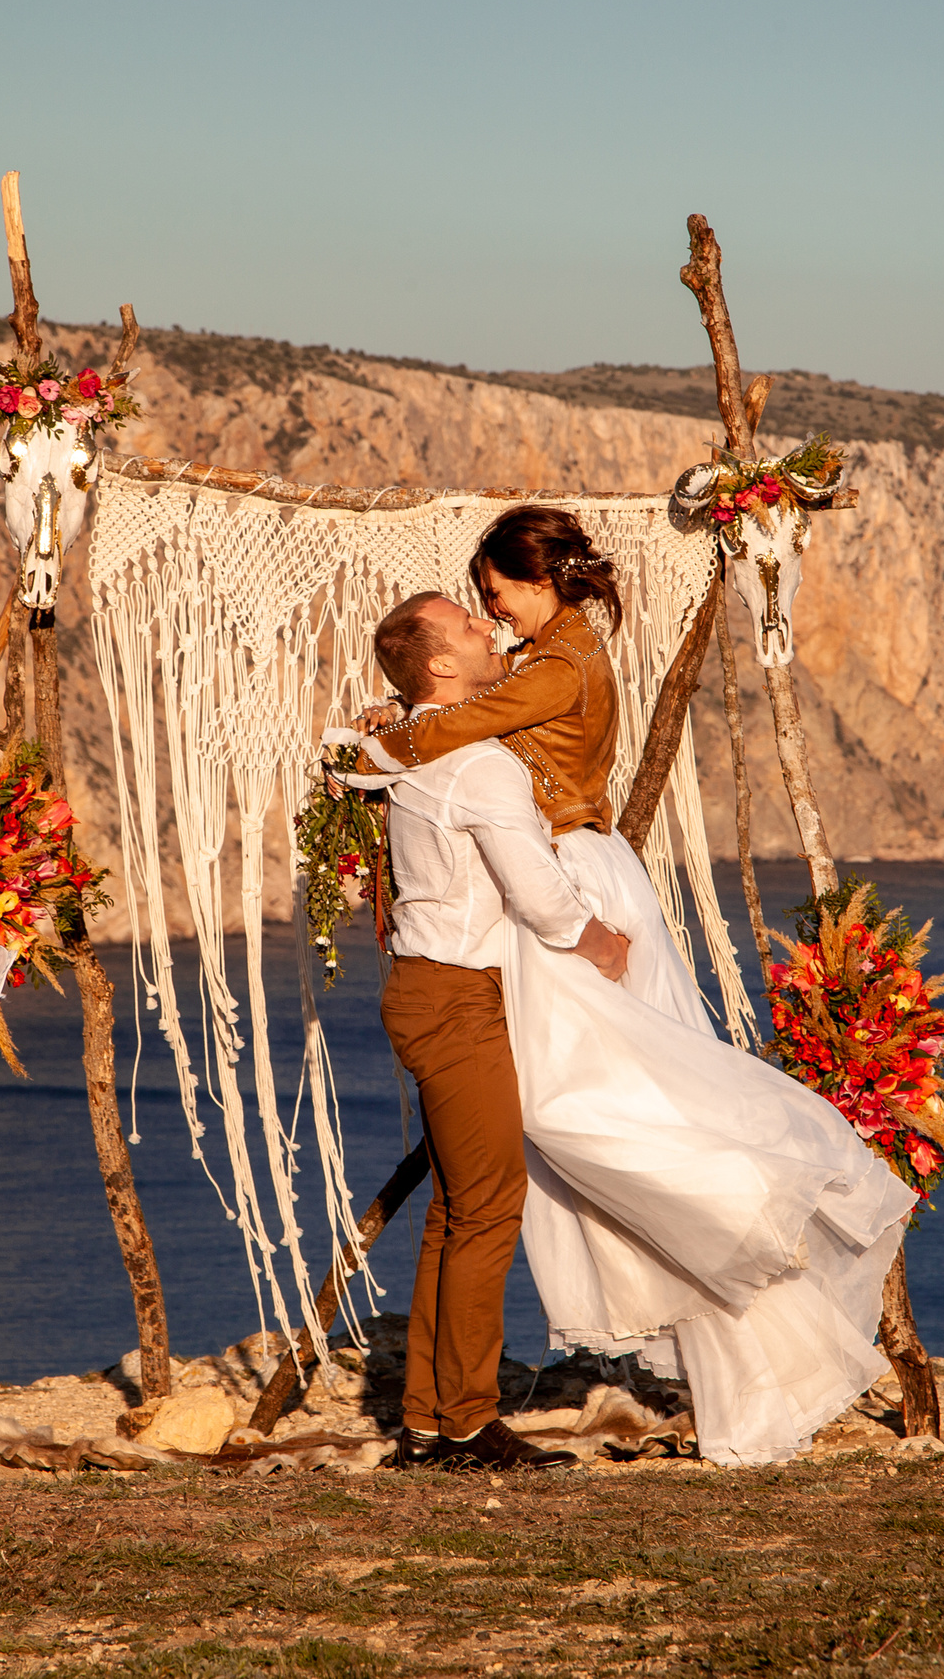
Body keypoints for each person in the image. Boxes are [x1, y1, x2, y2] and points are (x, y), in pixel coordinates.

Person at [357, 507, 919, 1465]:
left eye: (492, 595)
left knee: (587, 1133)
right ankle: (448, 1414)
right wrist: (398, 730)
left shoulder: (551, 670)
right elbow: (460, 749)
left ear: (539, 581)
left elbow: (461, 745)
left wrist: (384, 737)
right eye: (476, 611)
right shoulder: (525, 686)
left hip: (563, 901)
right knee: (511, 1170)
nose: (489, 616)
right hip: (523, 927)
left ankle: (457, 1410)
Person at [361, 589, 631, 1472]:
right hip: (456, 997)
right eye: (469, 625)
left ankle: (432, 1422)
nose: (489, 628)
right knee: (486, 1212)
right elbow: (536, 891)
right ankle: (470, 1423)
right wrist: (598, 941)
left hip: (425, 989)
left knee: (454, 1212)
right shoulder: (477, 765)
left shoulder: (410, 745)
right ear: (440, 663)